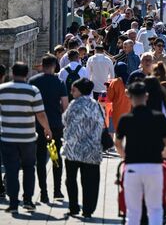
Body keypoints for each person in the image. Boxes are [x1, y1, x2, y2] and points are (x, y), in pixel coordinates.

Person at [115, 81, 166, 225]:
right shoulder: (158, 117)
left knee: (133, 211)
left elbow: (118, 144)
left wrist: (125, 157)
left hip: (132, 167)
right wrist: (162, 156)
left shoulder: (125, 119)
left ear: (129, 97)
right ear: (146, 96)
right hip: (154, 166)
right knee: (155, 209)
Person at [0, 62, 53, 212]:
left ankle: (13, 203)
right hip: (28, 137)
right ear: (26, 74)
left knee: (11, 170)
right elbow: (40, 114)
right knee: (29, 168)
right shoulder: (33, 91)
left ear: (12, 72)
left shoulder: (2, 90)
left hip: (8, 137)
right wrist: (47, 128)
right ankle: (28, 200)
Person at [62, 78, 105, 218]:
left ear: (80, 91)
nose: (71, 92)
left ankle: (73, 207)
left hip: (73, 149)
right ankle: (88, 209)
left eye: (73, 90)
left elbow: (65, 120)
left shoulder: (74, 104)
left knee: (71, 180)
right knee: (90, 182)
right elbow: (102, 122)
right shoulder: (97, 105)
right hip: (92, 150)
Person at [29, 54, 68, 203]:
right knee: (55, 157)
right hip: (54, 126)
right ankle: (57, 190)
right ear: (54, 66)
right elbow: (65, 105)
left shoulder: (33, 82)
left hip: (37, 126)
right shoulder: (59, 82)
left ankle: (43, 191)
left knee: (40, 158)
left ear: (42, 65)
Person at [106, 62, 131, 131]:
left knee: (115, 133)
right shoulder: (131, 80)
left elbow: (109, 99)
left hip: (116, 112)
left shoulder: (114, 82)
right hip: (129, 111)